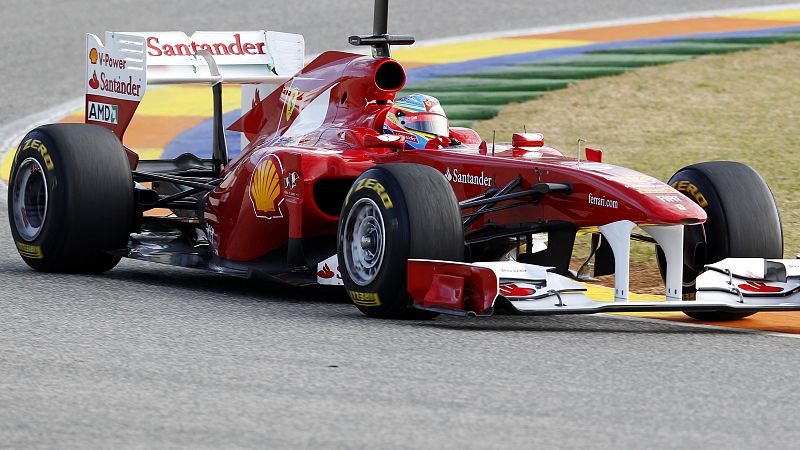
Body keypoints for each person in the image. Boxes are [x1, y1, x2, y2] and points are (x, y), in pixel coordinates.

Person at [383, 93, 451, 149]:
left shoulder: (445, 142)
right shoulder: (380, 156)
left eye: (433, 126)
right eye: (421, 125)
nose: (433, 133)